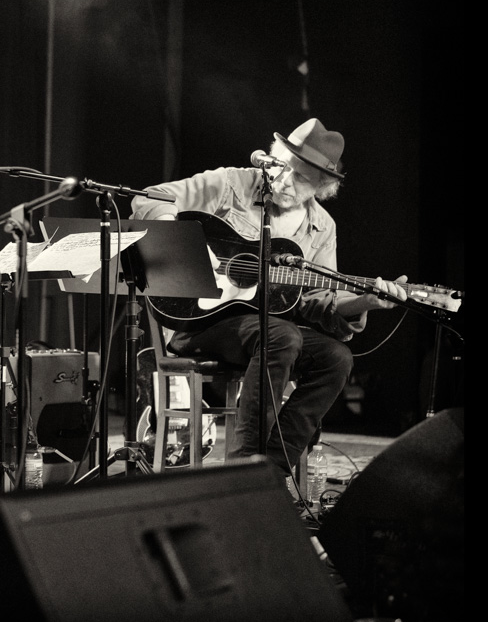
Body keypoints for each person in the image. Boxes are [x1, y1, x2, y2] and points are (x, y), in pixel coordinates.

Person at [131, 118, 408, 475]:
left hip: (268, 335)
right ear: (271, 160)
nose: (285, 182)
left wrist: (365, 302)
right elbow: (151, 198)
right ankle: (241, 471)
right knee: (282, 335)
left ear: (322, 187)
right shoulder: (231, 183)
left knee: (336, 358)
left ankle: (271, 470)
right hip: (198, 322)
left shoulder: (322, 227)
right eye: (282, 168)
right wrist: (189, 250)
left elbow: (317, 300)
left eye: (302, 178)